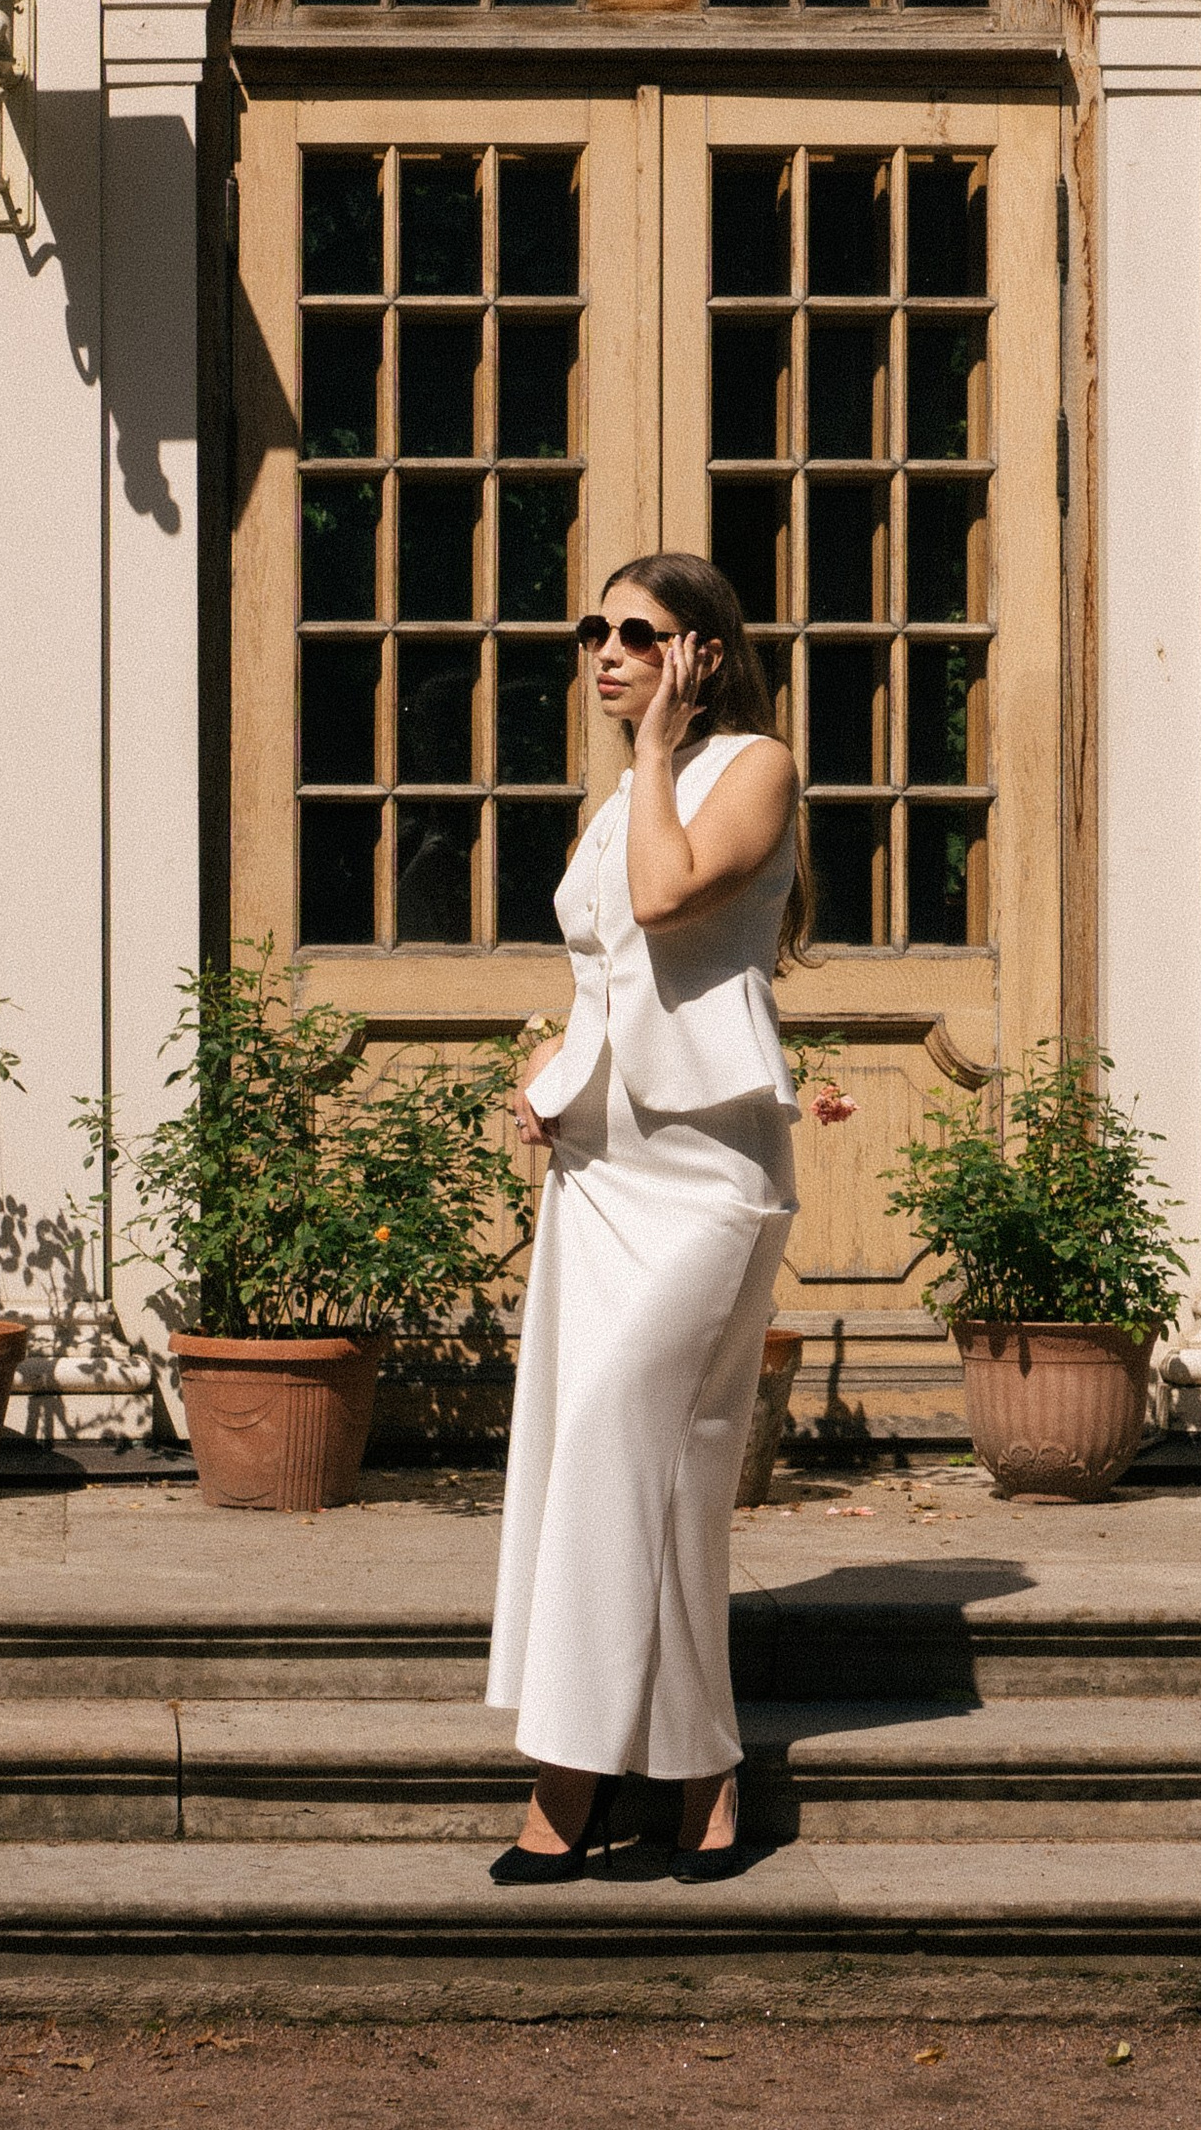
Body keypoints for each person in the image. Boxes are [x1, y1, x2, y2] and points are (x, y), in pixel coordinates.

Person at [484, 551, 804, 1884]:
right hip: (603, 1170)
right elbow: (605, 975)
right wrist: (550, 1073)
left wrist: (661, 750)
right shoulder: (623, 795)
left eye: (637, 632)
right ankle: (673, 1772)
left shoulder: (753, 767)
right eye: (593, 631)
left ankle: (590, 1774)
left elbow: (670, 903)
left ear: (702, 653)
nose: (606, 653)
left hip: (711, 1173)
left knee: (634, 1443)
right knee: (609, 1468)